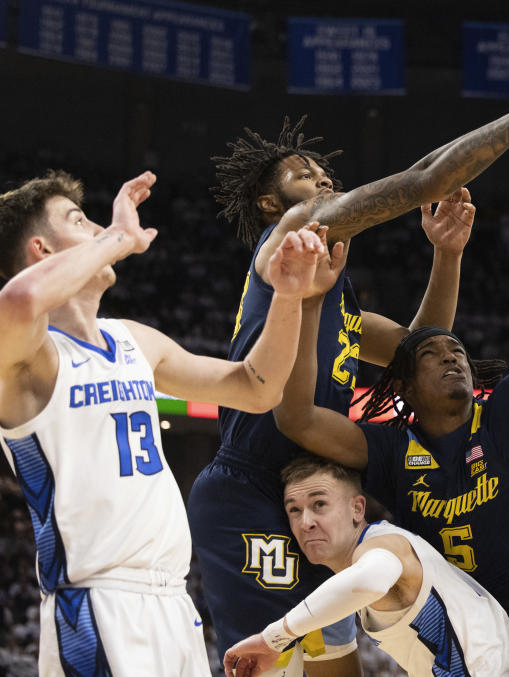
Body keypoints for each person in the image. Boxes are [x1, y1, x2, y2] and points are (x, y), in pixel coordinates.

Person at [188, 79, 509, 673]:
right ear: (272, 203)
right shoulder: (287, 239)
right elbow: (425, 182)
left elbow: (418, 354)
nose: (322, 181)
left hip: (322, 490)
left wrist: (446, 255)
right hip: (252, 484)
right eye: (303, 173)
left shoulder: (336, 298)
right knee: (265, 664)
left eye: (325, 175)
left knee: (335, 665)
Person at [272, 103, 509, 637]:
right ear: (404, 385)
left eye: (456, 350)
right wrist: (311, 301)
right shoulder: (388, 449)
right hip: (459, 639)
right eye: (432, 355)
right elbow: (296, 418)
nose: (452, 356)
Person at [0, 170, 340, 675]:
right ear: (42, 251)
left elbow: (256, 387)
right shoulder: (26, 358)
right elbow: (21, 301)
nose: (98, 229)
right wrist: (119, 236)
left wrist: (287, 297)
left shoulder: (135, 340)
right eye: (80, 220)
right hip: (97, 605)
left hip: (173, 605)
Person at [222, 455, 509, 677]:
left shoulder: (383, 544)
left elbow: (371, 578)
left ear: (357, 508)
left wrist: (274, 637)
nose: (306, 522)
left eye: (319, 504)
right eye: (294, 510)